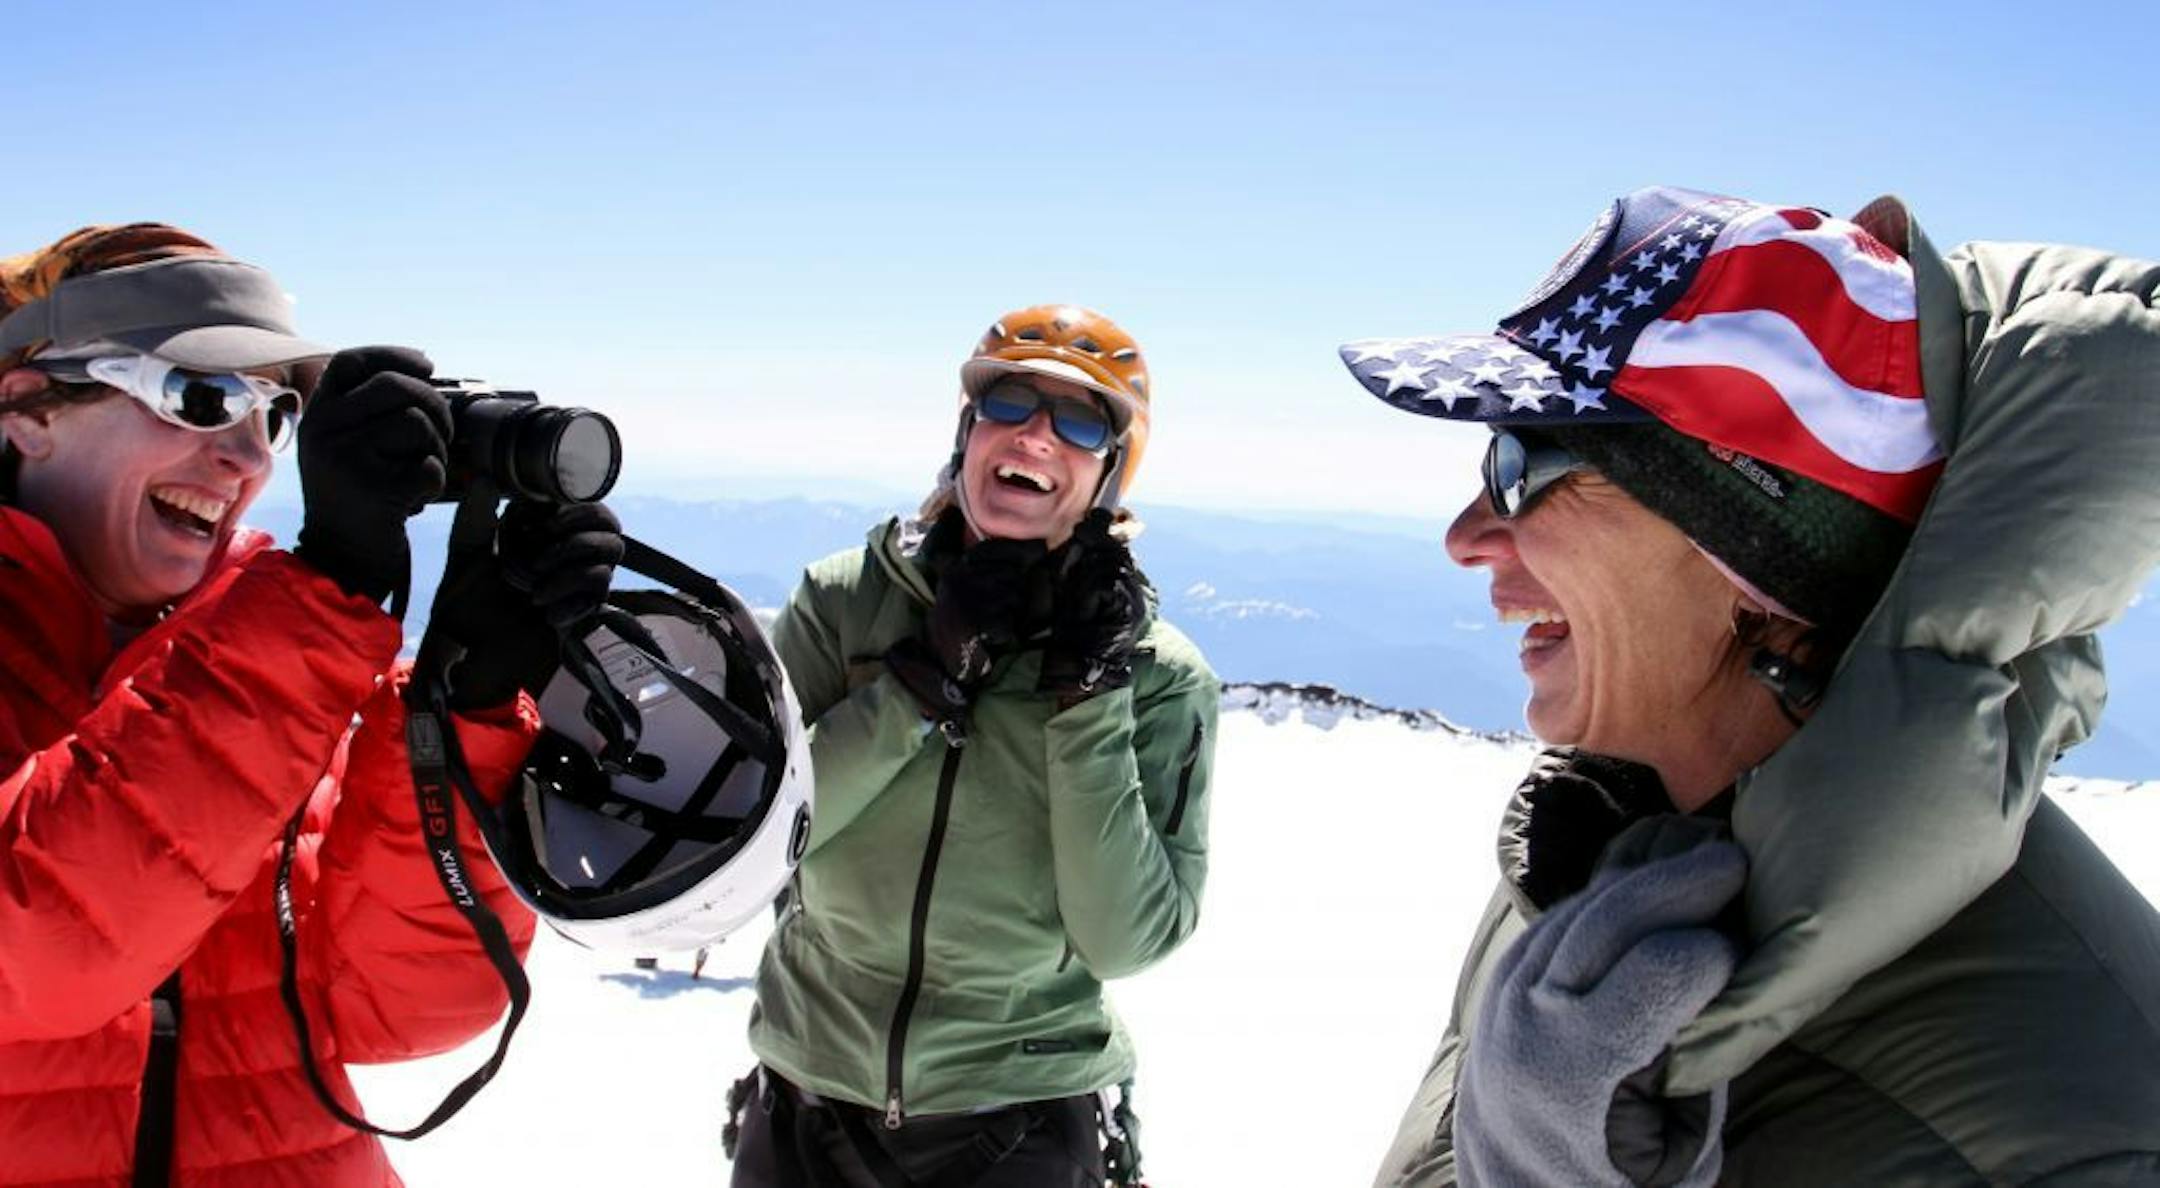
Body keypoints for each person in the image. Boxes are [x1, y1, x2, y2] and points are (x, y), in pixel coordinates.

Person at [1336, 187, 2160, 1185]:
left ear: (1754, 565)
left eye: (1524, 461)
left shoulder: (2079, 1118)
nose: (1465, 535)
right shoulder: (1601, 854)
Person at [0, 224, 621, 1185]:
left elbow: (399, 1009)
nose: (247, 460)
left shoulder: (271, 651)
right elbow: (39, 951)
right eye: (201, 398)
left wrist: (461, 716)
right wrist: (316, 597)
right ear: (29, 408)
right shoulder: (276, 651)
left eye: (273, 416)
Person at [728, 305, 1218, 1187]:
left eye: (1079, 421)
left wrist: (1091, 694)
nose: (1035, 434)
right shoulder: (847, 603)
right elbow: (755, 842)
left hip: (1018, 1117)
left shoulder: (1160, 676)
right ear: (968, 430)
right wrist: (915, 686)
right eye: (1011, 403)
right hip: (806, 1096)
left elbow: (1123, 940)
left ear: (1111, 471)